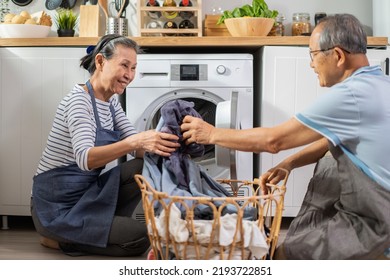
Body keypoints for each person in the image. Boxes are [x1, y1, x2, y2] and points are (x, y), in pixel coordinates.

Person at [181, 14, 390, 259]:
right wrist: (289, 164)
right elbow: (333, 139)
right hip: (376, 207)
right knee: (330, 159)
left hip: (377, 222)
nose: (312, 65)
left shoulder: (350, 95)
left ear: (338, 55)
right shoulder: (379, 83)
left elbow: (273, 141)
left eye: (313, 55)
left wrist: (211, 133)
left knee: (283, 257)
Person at [30, 34, 180, 257]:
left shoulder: (110, 103)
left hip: (87, 195)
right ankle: (57, 239)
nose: (129, 75)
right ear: (100, 62)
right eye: (124, 65)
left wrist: (169, 145)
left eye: (134, 68)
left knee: (142, 166)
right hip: (57, 206)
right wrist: (137, 140)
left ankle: (98, 226)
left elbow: (137, 148)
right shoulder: (79, 101)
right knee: (141, 238)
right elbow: (86, 159)